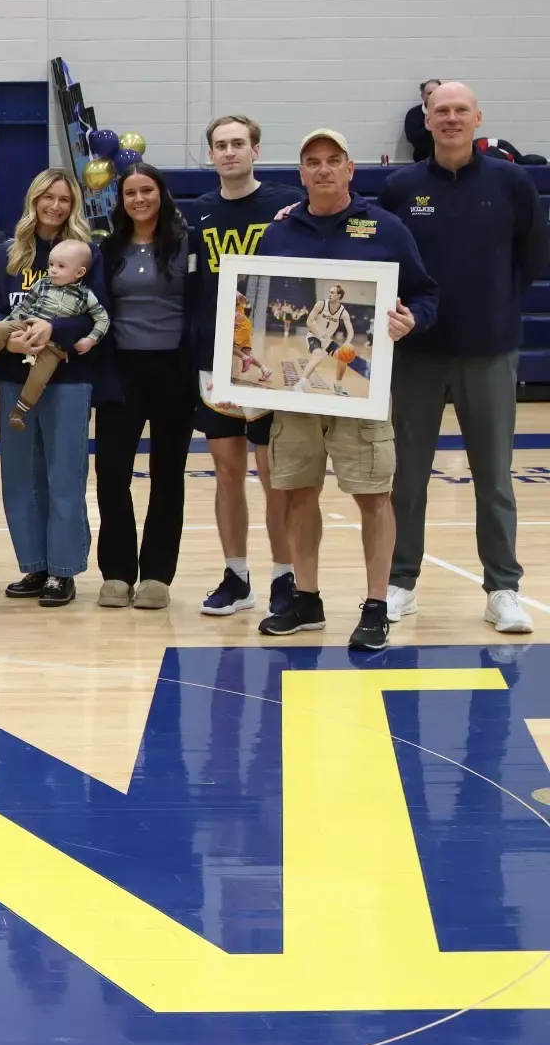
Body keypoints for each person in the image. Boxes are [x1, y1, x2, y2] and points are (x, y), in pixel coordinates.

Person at [256, 128, 438, 650]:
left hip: (366, 391)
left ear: (350, 168)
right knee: (295, 491)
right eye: (312, 161)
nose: (323, 169)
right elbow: (260, 299)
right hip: (294, 401)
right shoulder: (280, 232)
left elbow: (425, 294)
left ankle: (377, 605)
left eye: (333, 160)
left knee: (373, 497)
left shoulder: (386, 227)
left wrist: (411, 321)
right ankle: (307, 600)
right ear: (301, 173)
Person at [380, 80, 550, 635]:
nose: (450, 118)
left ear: (478, 117)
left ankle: (503, 588)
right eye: (440, 111)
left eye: (460, 110)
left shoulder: (510, 181)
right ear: (425, 121)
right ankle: (400, 581)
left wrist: (493, 307)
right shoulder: (402, 186)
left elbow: (532, 257)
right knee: (407, 477)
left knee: (495, 479)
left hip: (489, 353)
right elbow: (377, 251)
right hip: (417, 355)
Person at [186, 115, 302, 618]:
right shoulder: (201, 213)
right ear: (210, 155)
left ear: (256, 149)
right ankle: (237, 576)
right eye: (220, 145)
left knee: (274, 472)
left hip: (272, 360)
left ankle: (285, 576)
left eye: (238, 143)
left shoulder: (285, 207)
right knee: (227, 471)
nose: (229, 151)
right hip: (216, 360)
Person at [0, 169, 99, 607]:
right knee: (20, 476)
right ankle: (34, 565)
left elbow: (97, 315)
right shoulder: (8, 255)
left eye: (64, 199)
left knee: (64, 475)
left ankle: (63, 570)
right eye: (47, 197)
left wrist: (56, 327)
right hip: (16, 377)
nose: (55, 206)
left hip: (68, 379)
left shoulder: (86, 254)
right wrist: (5, 334)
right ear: (33, 200)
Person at [90, 163, 195, 610]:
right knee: (112, 474)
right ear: (121, 201)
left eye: (146, 190)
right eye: (130, 193)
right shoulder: (108, 249)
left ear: (161, 194)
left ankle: (156, 575)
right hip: (121, 371)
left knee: (167, 475)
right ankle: (116, 573)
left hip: (174, 371)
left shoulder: (187, 244)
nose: (139, 199)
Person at [0, 240, 108, 427]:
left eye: (61, 266)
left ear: (79, 273)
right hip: (27, 325)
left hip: (53, 346)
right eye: (51, 265)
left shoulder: (86, 295)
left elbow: (103, 319)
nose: (53, 270)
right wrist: (8, 325)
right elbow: (23, 307)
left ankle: (19, 412)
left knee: (39, 377)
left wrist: (90, 340)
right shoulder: (41, 284)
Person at [404, 79, 441, 165]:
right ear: (423, 96)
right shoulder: (413, 114)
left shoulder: (449, 112)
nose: (433, 96)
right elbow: (413, 138)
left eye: (436, 92)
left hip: (449, 162)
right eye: (429, 93)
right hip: (422, 162)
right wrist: (428, 128)